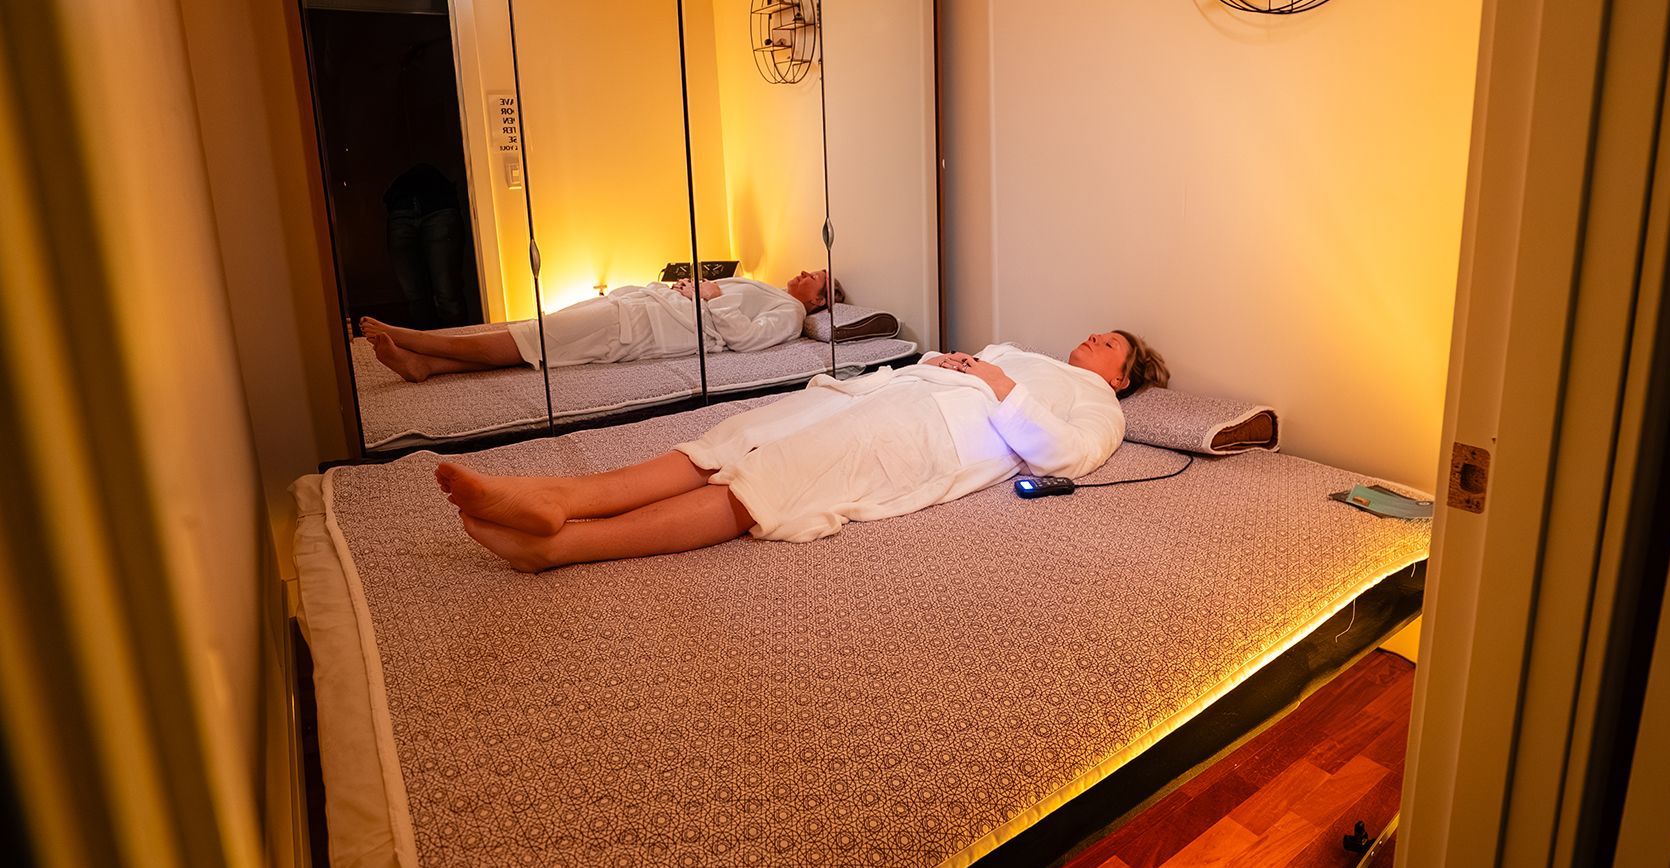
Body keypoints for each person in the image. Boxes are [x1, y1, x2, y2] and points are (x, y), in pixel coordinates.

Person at [438, 330, 1171, 571]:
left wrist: (994, 379)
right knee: (736, 437)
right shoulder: (1018, 347)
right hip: (884, 395)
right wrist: (949, 362)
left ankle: (566, 546)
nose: (1095, 339)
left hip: (922, 437)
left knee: (774, 479)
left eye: (1112, 342)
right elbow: (977, 369)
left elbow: (1065, 456)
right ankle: (560, 497)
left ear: (1120, 373)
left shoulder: (1095, 401)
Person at [362, 269, 835, 383]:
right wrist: (690, 285)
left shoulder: (791, 316)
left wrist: (711, 299)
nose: (803, 271)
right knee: (539, 332)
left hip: (647, 328)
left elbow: (747, 341)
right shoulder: (762, 284)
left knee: (538, 339)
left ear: (817, 301)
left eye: (813, 276)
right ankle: (427, 365)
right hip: (643, 305)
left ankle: (418, 339)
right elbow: (712, 296)